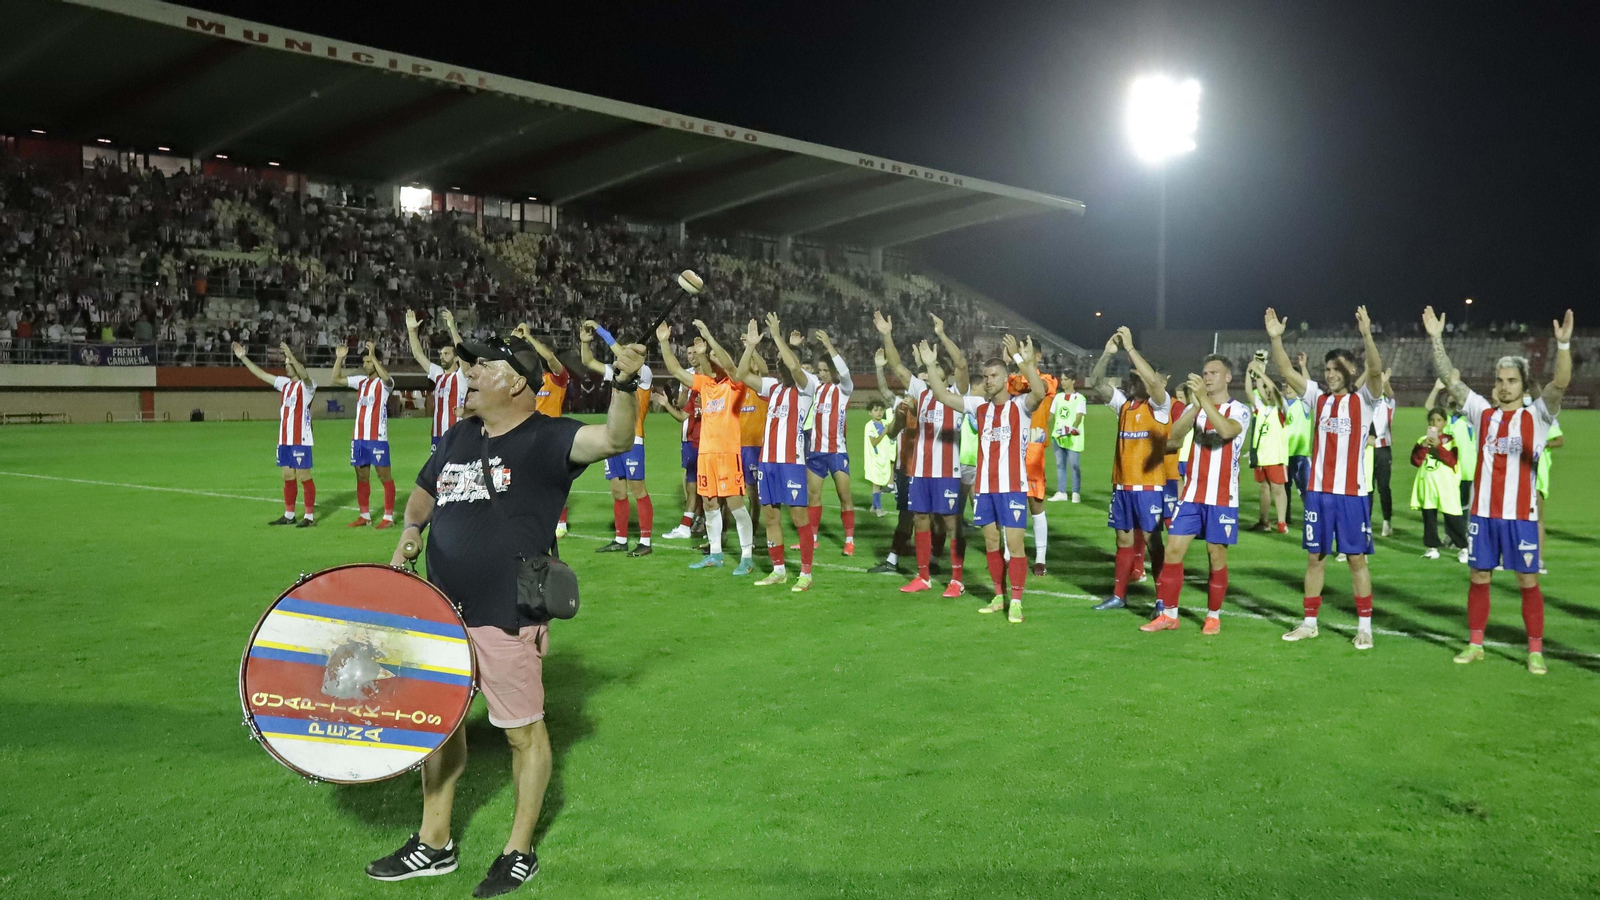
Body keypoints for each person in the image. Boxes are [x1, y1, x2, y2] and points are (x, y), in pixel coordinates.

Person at [372, 333, 646, 895]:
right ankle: (434, 843)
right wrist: (410, 531)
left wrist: (623, 380)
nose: (468, 373)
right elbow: (425, 492)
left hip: (506, 614)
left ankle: (518, 852)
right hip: (441, 610)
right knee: (441, 726)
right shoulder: (457, 435)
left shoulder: (548, 438)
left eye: (482, 366)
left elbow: (618, 436)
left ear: (517, 380)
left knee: (523, 734)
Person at [1425, 306, 1572, 675]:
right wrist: (1436, 338)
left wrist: (1564, 346)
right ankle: (1476, 644)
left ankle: (1535, 650)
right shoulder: (1481, 413)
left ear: (1523, 385)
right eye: (1500, 379)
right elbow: (1449, 379)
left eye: (1511, 380)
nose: (1504, 385)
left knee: (1527, 580)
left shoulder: (1537, 416)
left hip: (1521, 516)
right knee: (1479, 577)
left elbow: (1560, 384)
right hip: (1484, 515)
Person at [1265, 305, 1384, 649]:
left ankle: (1365, 627)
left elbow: (1375, 370)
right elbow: (1286, 369)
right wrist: (1276, 339)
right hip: (1318, 492)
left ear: (1349, 371)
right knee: (1314, 559)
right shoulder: (1317, 397)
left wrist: (1366, 335)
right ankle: (1310, 622)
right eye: (1328, 368)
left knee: (1357, 561)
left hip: (1351, 495)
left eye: (1337, 369)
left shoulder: (1365, 400)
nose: (1330, 374)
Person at [918, 335, 1045, 622]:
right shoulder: (978, 407)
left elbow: (1040, 390)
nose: (988, 380)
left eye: (994, 375)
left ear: (1006, 377)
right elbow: (943, 396)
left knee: (1014, 545)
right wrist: (929, 365)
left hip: (1012, 487)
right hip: (985, 488)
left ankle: (1017, 601)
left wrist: (1020, 360)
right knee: (991, 542)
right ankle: (999, 596)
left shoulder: (1020, 406)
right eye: (985, 376)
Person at [1141, 356, 1249, 635]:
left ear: (1228, 377)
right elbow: (1173, 439)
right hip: (1191, 495)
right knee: (1173, 551)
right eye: (1205, 373)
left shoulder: (1240, 410)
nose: (1208, 377)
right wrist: (1196, 406)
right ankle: (1169, 615)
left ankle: (1213, 616)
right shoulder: (1196, 408)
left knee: (1216, 557)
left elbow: (1226, 431)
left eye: (1215, 373)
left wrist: (1205, 403)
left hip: (1223, 497)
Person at [875, 310, 970, 596]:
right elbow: (897, 366)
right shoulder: (921, 392)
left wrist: (942, 335)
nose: (927, 372)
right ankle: (924, 576)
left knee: (952, 523)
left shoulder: (957, 392)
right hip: (920, 470)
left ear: (943, 372)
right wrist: (886, 334)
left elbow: (962, 363)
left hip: (947, 470)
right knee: (920, 519)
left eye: (933, 368)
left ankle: (956, 580)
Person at [657, 319, 757, 574]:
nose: (712, 360)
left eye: (715, 358)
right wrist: (664, 342)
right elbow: (676, 370)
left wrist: (710, 339)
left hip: (727, 455)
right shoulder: (705, 385)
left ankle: (746, 556)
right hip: (706, 456)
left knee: (736, 506)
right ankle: (715, 554)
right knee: (710, 505)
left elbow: (731, 366)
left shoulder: (735, 385)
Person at [1085, 327, 1171, 610]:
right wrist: (1108, 354)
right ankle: (1119, 595)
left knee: (1153, 543)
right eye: (1132, 378)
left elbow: (1156, 386)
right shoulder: (1125, 405)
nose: (1133, 382)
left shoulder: (1160, 406)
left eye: (1138, 378)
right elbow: (1095, 381)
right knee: (1123, 541)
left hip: (1148, 488)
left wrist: (1132, 349)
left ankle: (1162, 600)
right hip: (1122, 487)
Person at [738, 313, 820, 590]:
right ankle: (778, 570)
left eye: (780, 358)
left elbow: (795, 365)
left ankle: (806, 573)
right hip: (768, 463)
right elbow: (741, 375)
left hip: (791, 463)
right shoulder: (773, 387)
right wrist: (750, 346)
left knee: (799, 518)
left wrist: (776, 336)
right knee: (771, 516)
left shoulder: (807, 386)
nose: (778, 363)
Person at [579, 320, 654, 556]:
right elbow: (588, 362)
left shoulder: (644, 372)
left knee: (638, 489)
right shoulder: (617, 373)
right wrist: (584, 342)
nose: (626, 353)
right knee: (618, 491)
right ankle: (620, 540)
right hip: (613, 439)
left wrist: (601, 330)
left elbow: (622, 354)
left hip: (634, 439)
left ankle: (645, 542)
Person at [233, 340, 318, 527]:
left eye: (288, 364)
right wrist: (243, 358)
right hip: (284, 438)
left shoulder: (308, 386)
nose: (286, 367)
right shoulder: (284, 384)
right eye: (285, 364)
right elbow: (261, 374)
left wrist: (291, 355)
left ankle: (309, 517)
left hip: (301, 438)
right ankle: (289, 514)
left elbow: (304, 375)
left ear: (297, 364)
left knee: (304, 476)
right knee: (287, 476)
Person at [511, 324, 571, 538]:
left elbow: (552, 359)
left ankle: (561, 523)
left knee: (554, 480)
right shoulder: (530, 379)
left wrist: (529, 337)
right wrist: (515, 342)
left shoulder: (558, 377)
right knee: (526, 479)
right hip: (528, 433)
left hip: (552, 435)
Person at [330, 341, 396, 528]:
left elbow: (388, 379)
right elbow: (335, 378)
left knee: (384, 477)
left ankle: (389, 518)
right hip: (359, 438)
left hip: (377, 438)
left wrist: (374, 357)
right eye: (365, 362)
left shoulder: (384, 384)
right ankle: (365, 516)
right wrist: (339, 358)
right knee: (361, 476)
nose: (365, 365)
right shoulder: (361, 382)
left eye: (369, 361)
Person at [803, 330, 857, 556]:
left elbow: (844, 371)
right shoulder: (816, 387)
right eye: (821, 370)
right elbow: (800, 373)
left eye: (827, 370)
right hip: (816, 451)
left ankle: (849, 540)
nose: (822, 374)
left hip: (837, 452)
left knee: (844, 497)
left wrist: (828, 345)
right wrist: (798, 348)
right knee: (813, 496)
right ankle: (812, 539)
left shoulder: (844, 389)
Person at [1410, 405, 1468, 562]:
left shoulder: (1451, 440)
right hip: (1428, 485)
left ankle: (1463, 547)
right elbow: (1415, 461)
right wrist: (1423, 447)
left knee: (1452, 517)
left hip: (1446, 486)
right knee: (1429, 517)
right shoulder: (1422, 440)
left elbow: (1452, 460)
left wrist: (1437, 446)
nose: (1435, 423)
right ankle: (1432, 547)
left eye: (1438, 420)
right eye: (1431, 420)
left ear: (1444, 422)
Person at [1016, 366, 1059, 575]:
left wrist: (1020, 359)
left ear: (1038, 357)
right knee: (1010, 502)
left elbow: (1039, 389)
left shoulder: (1048, 379)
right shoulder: (1013, 379)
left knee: (1035, 504)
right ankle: (1009, 555)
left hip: (1033, 446)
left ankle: (1040, 559)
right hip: (1012, 445)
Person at [405, 308, 465, 453]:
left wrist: (451, 326)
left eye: (446, 354)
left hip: (456, 434)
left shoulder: (461, 376)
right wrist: (412, 331)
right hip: (437, 435)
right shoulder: (438, 374)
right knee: (436, 474)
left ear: (456, 357)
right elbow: (418, 355)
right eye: (441, 353)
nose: (442, 356)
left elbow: (463, 351)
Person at [1244, 360, 1290, 533]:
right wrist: (1250, 373)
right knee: (1263, 488)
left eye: (1271, 393)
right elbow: (1249, 391)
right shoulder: (1261, 409)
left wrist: (1261, 373)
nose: (1269, 395)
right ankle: (1264, 522)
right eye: (1267, 393)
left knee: (1278, 489)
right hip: (1261, 457)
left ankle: (1281, 522)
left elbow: (1276, 392)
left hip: (1276, 457)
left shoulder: (1282, 409)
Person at [1048, 371, 1085, 502]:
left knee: (1074, 465)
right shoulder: (1058, 397)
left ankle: (1076, 492)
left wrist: (1072, 428)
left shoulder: (1080, 398)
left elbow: (1079, 416)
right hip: (1058, 436)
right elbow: (1051, 415)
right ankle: (1061, 492)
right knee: (1060, 464)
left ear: (1073, 381)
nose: (1063, 382)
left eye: (1066, 379)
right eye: (1062, 379)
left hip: (1073, 437)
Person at [1282, 352, 1314, 508]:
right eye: (1286, 385)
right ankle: (1285, 518)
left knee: (1306, 490)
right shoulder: (1282, 404)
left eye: (1291, 385)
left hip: (1301, 455)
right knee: (1284, 488)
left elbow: (1308, 386)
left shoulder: (1304, 404)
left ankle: (1313, 517)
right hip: (1283, 454)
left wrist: (1303, 367)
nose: (1288, 388)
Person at [1369, 369, 1397, 537]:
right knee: (1367, 488)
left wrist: (1385, 382)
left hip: (1383, 449)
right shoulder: (1366, 401)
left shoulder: (1387, 402)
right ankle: (1367, 521)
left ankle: (1387, 522)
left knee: (1384, 487)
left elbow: (1391, 394)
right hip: (1367, 450)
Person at [862, 397, 896, 517]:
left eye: (881, 410)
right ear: (870, 412)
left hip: (883, 459)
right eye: (876, 410)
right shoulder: (869, 426)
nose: (879, 412)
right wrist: (884, 432)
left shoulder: (885, 423)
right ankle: (879, 510)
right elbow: (874, 442)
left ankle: (873, 506)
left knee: (880, 483)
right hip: (874, 459)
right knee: (876, 485)